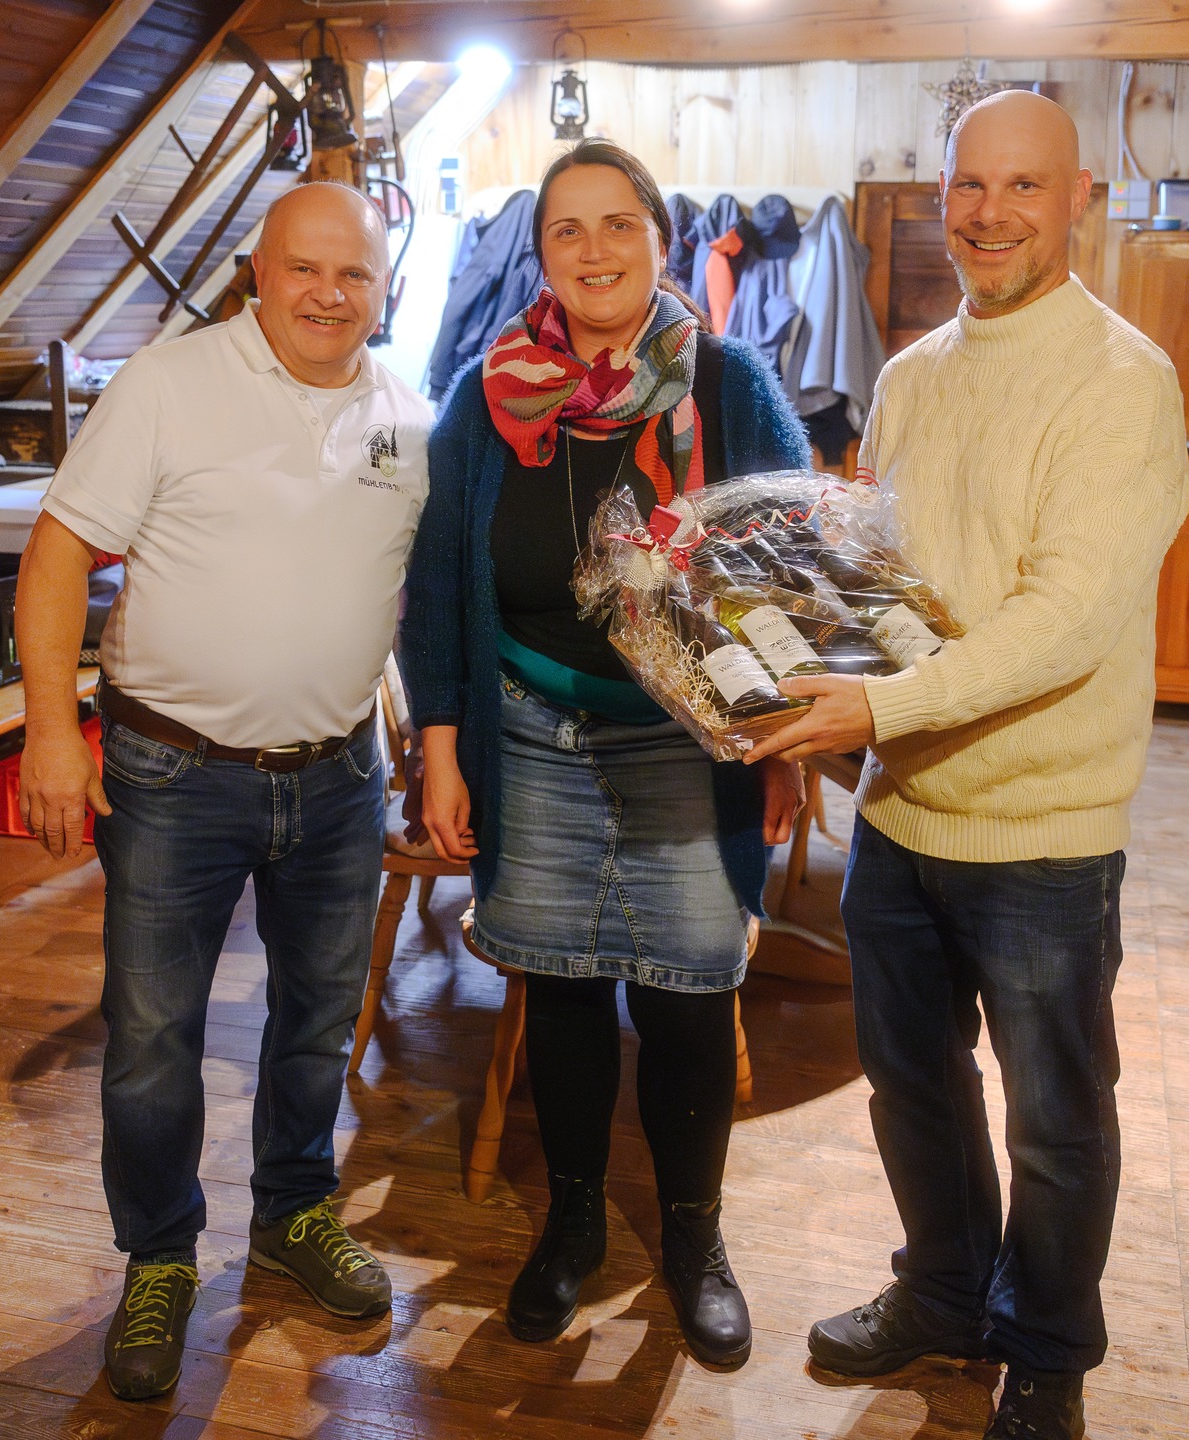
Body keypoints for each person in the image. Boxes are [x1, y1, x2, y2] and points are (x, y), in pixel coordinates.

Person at [746, 92, 1189, 1439]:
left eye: (1024, 187)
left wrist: (877, 710)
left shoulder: (1123, 382)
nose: (992, 214)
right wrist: (771, 648)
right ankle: (943, 1293)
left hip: (1045, 832)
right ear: (944, 197)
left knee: (1056, 1119)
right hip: (903, 820)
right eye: (970, 186)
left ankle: (1046, 1351)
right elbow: (885, 588)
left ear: (1078, 201)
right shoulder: (908, 376)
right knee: (916, 1088)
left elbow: (1064, 623)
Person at [16, 182, 434, 1402]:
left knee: (317, 1019)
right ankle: (159, 1256)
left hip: (339, 776)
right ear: (258, 269)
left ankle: (295, 1212)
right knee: (154, 1037)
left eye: (354, 274)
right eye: (304, 268)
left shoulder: (409, 418)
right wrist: (49, 728)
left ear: (385, 289)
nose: (328, 294)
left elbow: (421, 595)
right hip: (172, 775)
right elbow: (58, 550)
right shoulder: (169, 384)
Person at [399, 139, 809, 1370]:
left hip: (687, 741)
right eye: (566, 230)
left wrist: (786, 738)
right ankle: (573, 1218)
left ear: (661, 240)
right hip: (529, 729)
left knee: (689, 988)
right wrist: (440, 746)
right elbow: (438, 579)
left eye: (618, 224)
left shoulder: (727, 383)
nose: (593, 250)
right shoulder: (486, 395)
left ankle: (694, 1236)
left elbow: (791, 566)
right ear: (539, 255)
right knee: (563, 981)